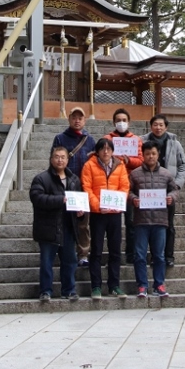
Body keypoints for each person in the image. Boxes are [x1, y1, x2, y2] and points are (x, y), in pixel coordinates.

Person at [29, 146, 83, 302]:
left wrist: (80, 213)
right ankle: (45, 291)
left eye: (63, 157)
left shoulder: (74, 180)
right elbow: (37, 198)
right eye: (57, 157)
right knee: (46, 262)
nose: (60, 160)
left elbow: (78, 201)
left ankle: (69, 290)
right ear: (51, 159)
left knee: (70, 261)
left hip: (68, 227)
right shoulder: (41, 179)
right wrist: (60, 200)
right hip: (48, 227)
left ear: (68, 160)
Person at [81, 137, 130, 299]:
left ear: (113, 151)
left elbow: (124, 186)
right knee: (96, 250)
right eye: (102, 149)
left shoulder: (120, 166)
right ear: (97, 151)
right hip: (97, 215)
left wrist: (118, 203)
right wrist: (97, 206)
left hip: (115, 214)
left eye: (109, 148)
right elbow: (87, 188)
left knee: (115, 251)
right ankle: (96, 286)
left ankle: (114, 285)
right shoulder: (89, 165)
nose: (106, 151)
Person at [129, 139, 179, 297]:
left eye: (154, 153)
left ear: (158, 155)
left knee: (159, 255)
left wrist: (171, 197)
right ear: (142, 155)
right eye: (147, 153)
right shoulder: (135, 173)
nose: (150, 156)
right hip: (141, 221)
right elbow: (127, 191)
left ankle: (159, 285)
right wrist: (133, 199)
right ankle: (142, 286)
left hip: (160, 220)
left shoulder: (166, 174)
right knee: (139, 255)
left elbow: (175, 190)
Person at [52, 106, 96, 266]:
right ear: (69, 119)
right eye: (74, 117)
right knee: (62, 220)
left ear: (84, 120)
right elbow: (54, 161)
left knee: (83, 222)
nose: (77, 121)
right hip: (64, 185)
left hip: (83, 187)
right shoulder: (60, 138)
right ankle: (64, 250)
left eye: (80, 118)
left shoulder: (90, 140)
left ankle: (83, 253)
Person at [142, 113, 185, 267]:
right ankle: (154, 255)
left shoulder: (175, 144)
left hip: (167, 189)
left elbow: (183, 165)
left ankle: (169, 256)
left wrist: (177, 184)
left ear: (166, 127)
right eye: (155, 124)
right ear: (151, 126)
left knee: (168, 224)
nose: (158, 127)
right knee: (148, 224)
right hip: (147, 189)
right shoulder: (142, 141)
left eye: (161, 125)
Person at [104, 107, 143, 263]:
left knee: (131, 221)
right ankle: (114, 254)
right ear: (114, 122)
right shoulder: (107, 139)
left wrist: (129, 161)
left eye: (124, 120)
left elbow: (141, 160)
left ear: (129, 122)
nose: (121, 123)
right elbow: (102, 157)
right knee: (112, 223)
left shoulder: (136, 140)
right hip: (112, 185)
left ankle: (131, 253)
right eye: (118, 120)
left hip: (131, 184)